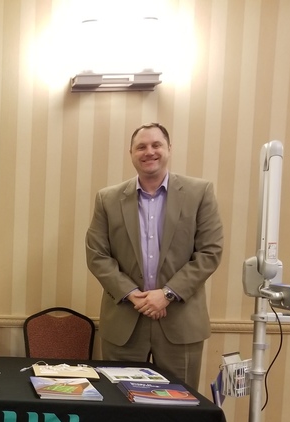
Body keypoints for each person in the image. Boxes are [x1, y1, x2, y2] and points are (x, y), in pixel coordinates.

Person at [85, 123, 223, 388]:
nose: (149, 152)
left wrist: (167, 294)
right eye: (141, 147)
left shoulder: (199, 192)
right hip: (124, 323)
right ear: (131, 153)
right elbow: (97, 254)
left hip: (180, 323)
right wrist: (131, 294)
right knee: (120, 404)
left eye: (156, 145)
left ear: (168, 148)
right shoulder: (107, 199)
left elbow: (210, 251)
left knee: (179, 406)